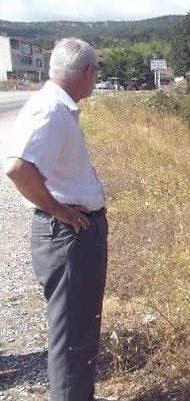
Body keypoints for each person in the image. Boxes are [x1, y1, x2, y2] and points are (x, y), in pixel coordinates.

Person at [3, 38, 108, 400]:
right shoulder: (49, 111)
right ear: (85, 72)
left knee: (80, 332)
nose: (96, 78)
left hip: (74, 233)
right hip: (68, 236)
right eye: (95, 70)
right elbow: (18, 168)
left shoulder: (59, 108)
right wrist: (59, 210)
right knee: (72, 340)